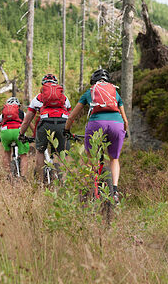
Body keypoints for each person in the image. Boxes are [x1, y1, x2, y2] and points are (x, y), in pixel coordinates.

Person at [64, 69, 129, 203]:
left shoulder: (90, 92)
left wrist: (67, 130)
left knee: (91, 159)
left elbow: (71, 116)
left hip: (96, 124)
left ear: (93, 82)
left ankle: (92, 189)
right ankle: (115, 191)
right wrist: (124, 131)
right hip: (117, 124)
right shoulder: (115, 93)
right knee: (114, 159)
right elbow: (125, 120)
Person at [18, 73, 71, 182]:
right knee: (62, 153)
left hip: (45, 123)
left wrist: (21, 134)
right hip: (63, 123)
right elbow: (70, 116)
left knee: (40, 151)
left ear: (43, 86)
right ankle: (63, 182)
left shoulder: (38, 97)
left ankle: (40, 181)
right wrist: (68, 131)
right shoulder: (64, 98)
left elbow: (27, 120)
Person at [0, 97, 30, 176]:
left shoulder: (3, 114)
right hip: (18, 132)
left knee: (7, 152)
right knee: (23, 155)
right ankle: (23, 176)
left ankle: (9, 174)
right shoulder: (22, 113)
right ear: (18, 106)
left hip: (6, 133)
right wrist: (34, 135)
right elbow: (29, 124)